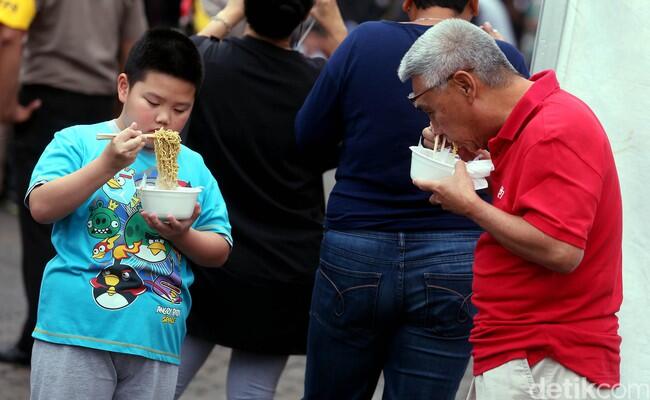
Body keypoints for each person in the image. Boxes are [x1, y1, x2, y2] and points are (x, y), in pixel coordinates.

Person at [295, 1, 529, 399]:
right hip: (454, 252)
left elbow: (307, 137)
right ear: (473, 6)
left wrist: (356, 149)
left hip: (358, 242)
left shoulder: (364, 40)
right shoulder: (501, 59)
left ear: (407, 4)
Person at [398, 18, 621, 399]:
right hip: (524, 353)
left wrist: (469, 205)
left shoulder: (553, 129)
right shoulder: (533, 123)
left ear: (466, 85)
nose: (433, 125)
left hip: (543, 357)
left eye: (432, 111)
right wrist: (477, 154)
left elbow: (561, 250)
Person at [26, 29, 233, 399]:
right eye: (152, 101)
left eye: (181, 109)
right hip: (75, 329)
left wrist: (181, 235)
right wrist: (106, 165)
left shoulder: (193, 166)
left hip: (156, 334)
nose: (165, 118)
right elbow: (41, 207)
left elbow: (219, 248)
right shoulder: (78, 142)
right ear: (124, 88)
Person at [172, 1, 346, 399]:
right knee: (253, 389)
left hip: (207, 249)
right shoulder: (316, 81)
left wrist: (233, 10)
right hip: (284, 264)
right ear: (305, 16)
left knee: (163, 380)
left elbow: (185, 54)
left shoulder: (208, 63)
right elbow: (368, 85)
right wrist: (334, 24)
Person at [0, 0, 147, 366]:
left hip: (46, 99)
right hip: (103, 102)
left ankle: (41, 333)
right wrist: (120, 113)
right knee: (95, 225)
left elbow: (9, 35)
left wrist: (6, 108)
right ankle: (91, 325)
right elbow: (133, 45)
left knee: (42, 225)